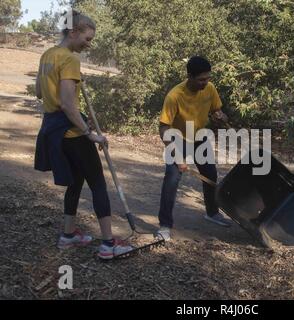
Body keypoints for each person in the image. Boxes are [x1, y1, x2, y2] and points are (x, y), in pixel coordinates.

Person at [34, 10, 132, 259]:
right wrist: (90, 134)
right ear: (73, 31)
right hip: (73, 132)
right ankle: (108, 244)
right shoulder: (69, 59)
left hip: (53, 131)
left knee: (76, 182)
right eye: (87, 39)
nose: (88, 44)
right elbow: (67, 104)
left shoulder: (47, 55)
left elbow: (38, 92)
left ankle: (68, 236)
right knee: (98, 183)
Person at [156, 56, 232, 241]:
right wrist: (178, 157)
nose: (205, 83)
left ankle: (212, 213)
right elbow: (163, 128)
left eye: (207, 78)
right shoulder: (175, 96)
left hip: (199, 136)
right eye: (201, 79)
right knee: (172, 179)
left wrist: (221, 117)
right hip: (178, 139)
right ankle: (164, 225)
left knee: (211, 174)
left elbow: (217, 111)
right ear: (189, 76)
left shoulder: (210, 89)